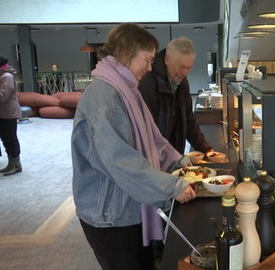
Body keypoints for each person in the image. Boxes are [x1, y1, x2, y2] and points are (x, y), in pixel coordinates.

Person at [71, 23, 196, 270]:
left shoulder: (126, 90)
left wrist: (176, 159)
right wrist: (172, 186)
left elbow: (152, 139)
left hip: (125, 209)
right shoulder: (105, 98)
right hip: (110, 217)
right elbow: (123, 161)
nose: (150, 68)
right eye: (147, 60)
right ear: (127, 54)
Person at [138, 37, 214, 156]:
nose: (184, 72)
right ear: (167, 60)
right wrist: (170, 158)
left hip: (173, 155)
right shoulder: (148, 82)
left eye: (188, 68)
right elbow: (149, 131)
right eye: (181, 67)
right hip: (154, 156)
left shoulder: (182, 80)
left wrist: (206, 148)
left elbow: (188, 119)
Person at [0, 54, 22, 176]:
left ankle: (16, 164)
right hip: (2, 113)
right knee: (5, 139)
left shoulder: (7, 76)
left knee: (10, 138)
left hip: (9, 113)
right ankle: (11, 163)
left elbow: (3, 96)